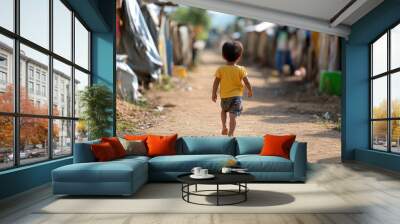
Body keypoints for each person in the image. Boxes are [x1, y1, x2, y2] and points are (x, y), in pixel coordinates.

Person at [212, 41, 253, 136]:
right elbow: (247, 82)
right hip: (236, 98)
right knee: (232, 116)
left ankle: (224, 126)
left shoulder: (221, 69)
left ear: (223, 55)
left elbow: (216, 82)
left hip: (225, 97)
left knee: (223, 111)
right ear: (239, 56)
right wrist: (250, 90)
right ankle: (231, 133)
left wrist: (214, 94)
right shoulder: (241, 69)